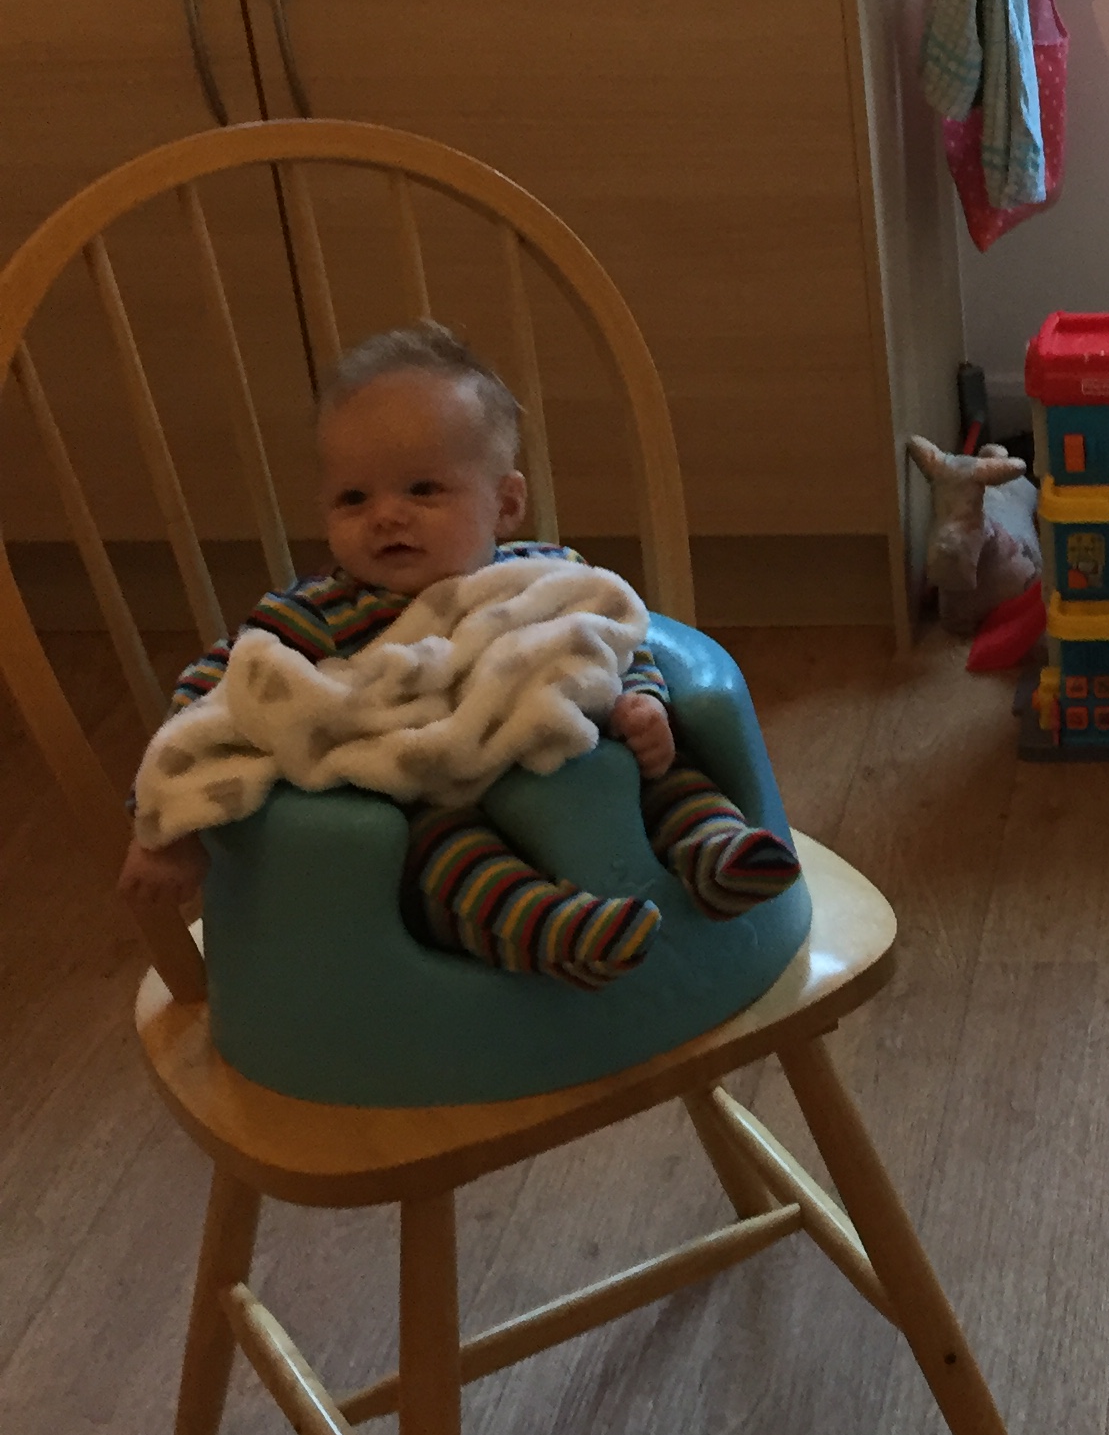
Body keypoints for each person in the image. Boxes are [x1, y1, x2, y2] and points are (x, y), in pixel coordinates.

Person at [119, 319, 797, 987]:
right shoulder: (316, 614)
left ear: (505, 504)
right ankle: (554, 932)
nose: (385, 515)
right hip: (438, 797)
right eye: (353, 497)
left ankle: (715, 851)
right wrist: (167, 825)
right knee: (443, 854)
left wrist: (642, 703)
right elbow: (215, 705)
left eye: (422, 489)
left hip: (575, 759)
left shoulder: (544, 577)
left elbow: (612, 642)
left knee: (664, 774)